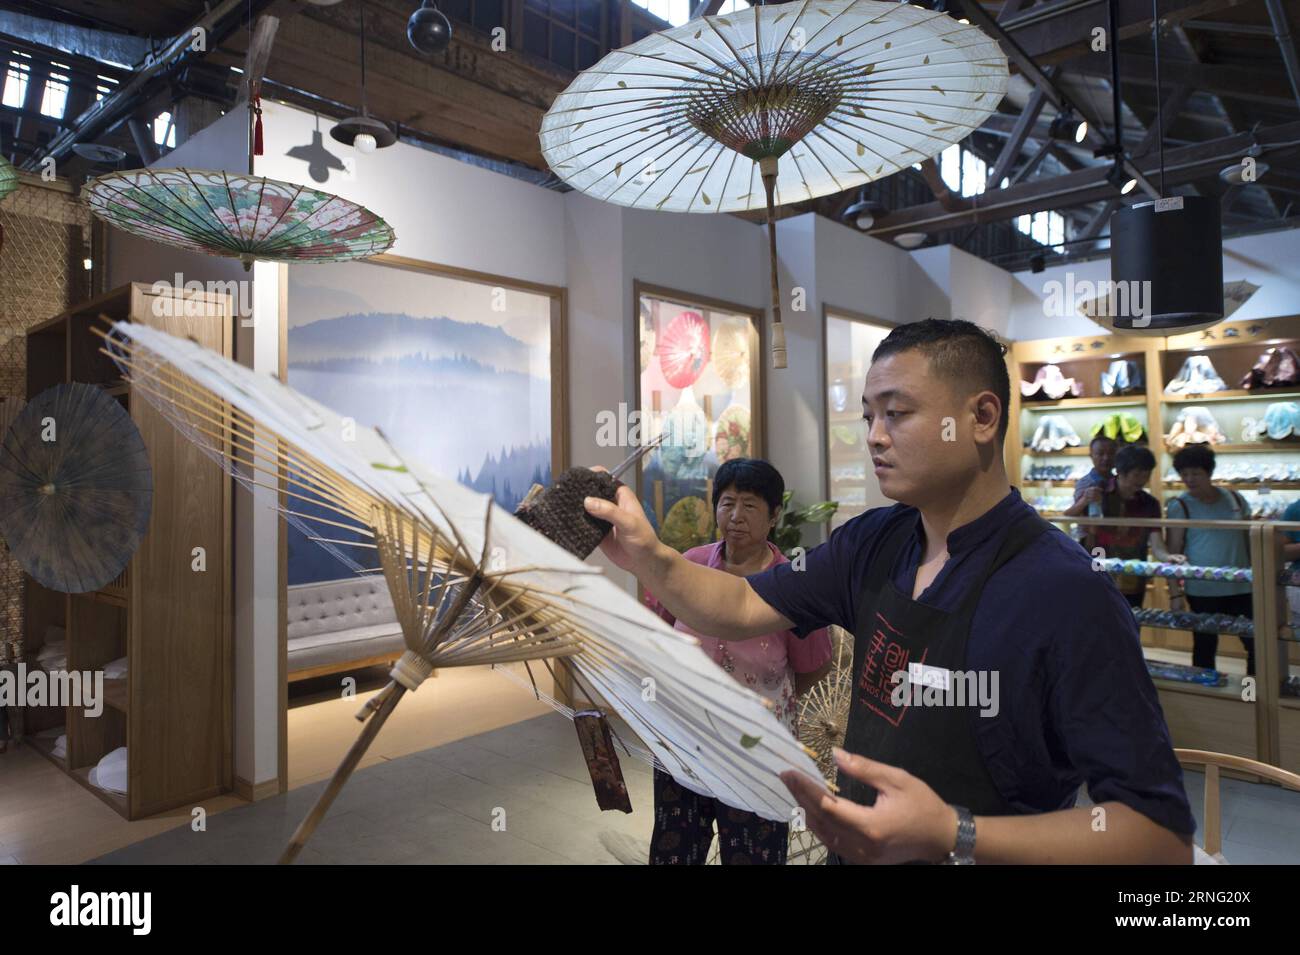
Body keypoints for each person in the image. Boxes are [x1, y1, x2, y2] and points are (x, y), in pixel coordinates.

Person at [587, 318, 1193, 865]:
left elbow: (1157, 837)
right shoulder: (875, 542)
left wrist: (956, 832)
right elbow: (742, 604)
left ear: (982, 418)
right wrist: (650, 555)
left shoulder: (1064, 592)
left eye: (897, 414)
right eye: (868, 415)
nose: (875, 436)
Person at [643, 458, 833, 864]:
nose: (736, 517)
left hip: (756, 745)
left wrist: (760, 701)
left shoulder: (794, 581)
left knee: (753, 850)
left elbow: (815, 664)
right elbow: (659, 630)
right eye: (727, 503)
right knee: (675, 845)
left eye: (750, 506)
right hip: (684, 735)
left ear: (774, 515)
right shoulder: (690, 563)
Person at [1165, 444, 1255, 676]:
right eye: (1184, 474)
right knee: (1205, 645)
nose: (1189, 479)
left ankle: (1254, 693)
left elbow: (1249, 542)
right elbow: (1173, 551)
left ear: (1209, 472)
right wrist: (1175, 592)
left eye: (1195, 473)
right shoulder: (1180, 505)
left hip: (1241, 586)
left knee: (1255, 644)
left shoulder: (1235, 499)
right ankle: (1207, 695)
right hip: (1202, 589)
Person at [1063, 444, 1173, 607]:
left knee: (1131, 624)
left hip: (1133, 578)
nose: (1142, 480)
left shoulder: (1150, 504)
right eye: (1137, 474)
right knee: (1096, 624)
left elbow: (1157, 545)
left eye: (1146, 474)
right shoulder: (1097, 493)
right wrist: (1084, 501)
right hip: (1097, 571)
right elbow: (1067, 518)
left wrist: (1168, 558)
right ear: (1120, 472)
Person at [1074, 435, 1117, 507]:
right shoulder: (1084, 483)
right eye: (1100, 454)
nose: (1106, 458)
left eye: (1111, 453)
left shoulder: (1120, 482)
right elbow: (1077, 514)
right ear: (1091, 456)